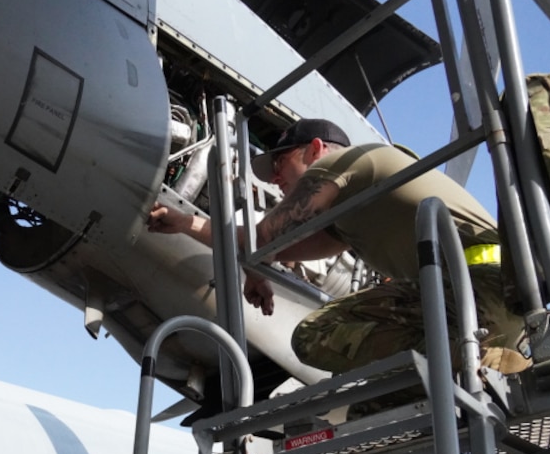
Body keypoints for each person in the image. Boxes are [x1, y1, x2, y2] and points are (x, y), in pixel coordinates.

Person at [147, 118, 527, 376]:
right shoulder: (349, 221)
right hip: (490, 302)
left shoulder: (346, 164)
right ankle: (483, 362)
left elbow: (265, 238)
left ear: (315, 150)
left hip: (478, 287)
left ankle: (482, 361)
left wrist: (255, 264)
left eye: (281, 162)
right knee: (374, 392)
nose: (275, 177)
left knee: (314, 335)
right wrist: (184, 223)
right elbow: (264, 246)